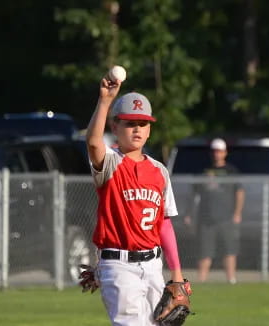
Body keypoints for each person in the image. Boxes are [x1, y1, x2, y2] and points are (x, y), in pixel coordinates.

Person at [86, 74, 186, 325]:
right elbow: (93, 142)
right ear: (115, 127)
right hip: (119, 266)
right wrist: (105, 100)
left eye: (143, 123)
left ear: (150, 129)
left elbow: (163, 223)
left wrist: (177, 276)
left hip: (153, 265)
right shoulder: (110, 164)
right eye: (130, 123)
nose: (137, 128)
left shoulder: (159, 171)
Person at [191, 138, 245, 283]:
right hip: (206, 218)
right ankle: (201, 280)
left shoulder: (232, 171)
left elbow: (239, 193)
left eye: (220, 151)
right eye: (215, 151)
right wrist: (190, 215)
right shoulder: (203, 171)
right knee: (204, 251)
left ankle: (231, 279)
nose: (217, 154)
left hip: (226, 218)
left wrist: (237, 213)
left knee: (229, 249)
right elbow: (195, 195)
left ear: (225, 152)